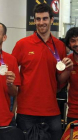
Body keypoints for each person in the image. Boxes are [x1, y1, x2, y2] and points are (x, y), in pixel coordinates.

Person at [12, 3, 73, 140]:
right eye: (38, 19)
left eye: (45, 18)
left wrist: (69, 69)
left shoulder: (59, 46)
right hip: (27, 110)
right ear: (34, 20)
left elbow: (60, 80)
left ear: (51, 20)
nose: (41, 22)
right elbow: (11, 69)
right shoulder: (22, 44)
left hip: (51, 109)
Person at [64, 27, 78, 124]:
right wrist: (68, 70)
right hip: (74, 113)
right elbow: (60, 84)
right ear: (69, 44)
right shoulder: (68, 61)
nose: (77, 44)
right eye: (73, 41)